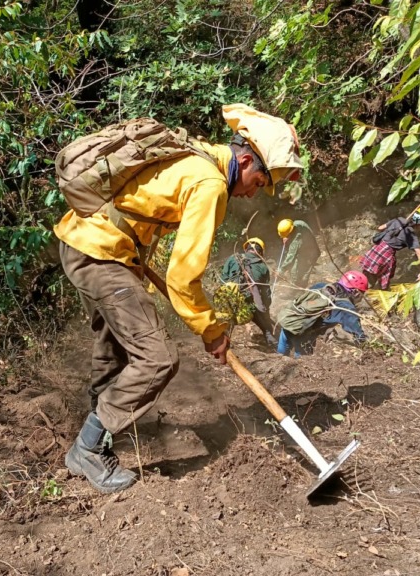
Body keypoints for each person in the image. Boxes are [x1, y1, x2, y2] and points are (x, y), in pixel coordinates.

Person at [55, 103, 303, 493]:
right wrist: (211, 329)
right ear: (244, 158)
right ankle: (88, 448)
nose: (255, 192)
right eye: (260, 180)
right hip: (102, 254)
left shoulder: (197, 158)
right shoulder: (211, 184)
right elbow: (183, 277)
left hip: (88, 244)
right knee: (158, 358)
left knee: (117, 348)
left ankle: (99, 432)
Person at [277, 271, 368, 358]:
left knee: (280, 359)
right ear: (355, 292)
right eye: (362, 293)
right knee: (301, 365)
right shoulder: (346, 307)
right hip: (303, 335)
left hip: (289, 322)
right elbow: (358, 334)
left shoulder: (320, 286)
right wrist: (368, 346)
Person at [220, 237, 277, 347]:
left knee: (229, 318)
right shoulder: (263, 266)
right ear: (260, 251)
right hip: (250, 302)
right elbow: (265, 293)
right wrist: (265, 311)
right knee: (262, 318)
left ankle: (223, 343)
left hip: (232, 299)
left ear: (247, 249)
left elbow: (224, 278)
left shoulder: (233, 258)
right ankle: (270, 337)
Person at [360, 206, 420, 290]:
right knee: (382, 281)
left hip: (376, 249)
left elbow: (380, 228)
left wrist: (394, 229)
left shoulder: (399, 220)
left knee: (367, 274)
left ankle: (359, 288)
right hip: (386, 255)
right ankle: (374, 291)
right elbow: (419, 254)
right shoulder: (411, 234)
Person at [276, 218, 321, 287]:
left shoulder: (296, 240)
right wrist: (288, 237)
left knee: (302, 273)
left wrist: (281, 271)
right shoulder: (298, 223)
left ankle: (299, 289)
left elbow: (290, 257)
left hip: (310, 254)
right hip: (307, 248)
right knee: (299, 269)